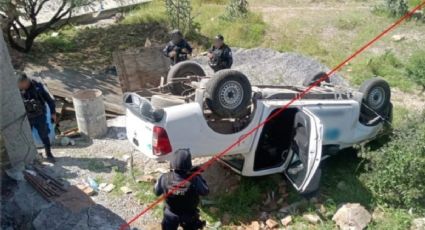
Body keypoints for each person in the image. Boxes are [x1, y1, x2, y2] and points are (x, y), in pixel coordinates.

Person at [154, 149, 209, 230]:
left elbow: (156, 192)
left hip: (170, 214)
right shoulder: (194, 179)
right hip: (189, 216)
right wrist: (198, 175)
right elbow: (205, 191)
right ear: (189, 164)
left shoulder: (165, 177)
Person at [17, 73, 56, 163]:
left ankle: (48, 153)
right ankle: (32, 155)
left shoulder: (37, 86)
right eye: (19, 85)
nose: (21, 86)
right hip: (26, 118)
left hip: (40, 115)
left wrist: (53, 112)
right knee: (27, 136)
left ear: (26, 81)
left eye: (22, 84)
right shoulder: (17, 90)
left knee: (44, 134)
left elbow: (49, 100)